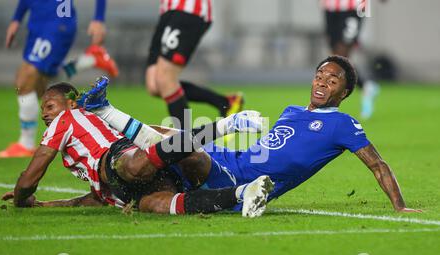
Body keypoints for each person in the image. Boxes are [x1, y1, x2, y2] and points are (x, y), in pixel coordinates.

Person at [86, 56, 421, 213]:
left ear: (344, 92)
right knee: (172, 132)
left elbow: (377, 164)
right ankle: (103, 113)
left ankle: (105, 116)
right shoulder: (292, 111)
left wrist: (400, 207)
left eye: (332, 80)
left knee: (187, 151)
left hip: (234, 178)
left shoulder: (343, 124)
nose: (322, 82)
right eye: (320, 75)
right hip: (230, 160)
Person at [1, 79, 273, 218]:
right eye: (42, 110)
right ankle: (242, 194)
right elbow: (96, 198)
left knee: (132, 165)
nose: (45, 115)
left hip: (121, 157)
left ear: (71, 104)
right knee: (153, 204)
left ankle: (227, 125)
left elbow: (30, 177)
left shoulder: (65, 120)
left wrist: (21, 198)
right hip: (127, 184)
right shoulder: (82, 144)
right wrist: (46, 205)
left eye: (49, 106)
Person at [0, 0, 118, 158]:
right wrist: (16, 18)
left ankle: (25, 144)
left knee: (25, 80)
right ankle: (91, 59)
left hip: (56, 22)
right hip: (38, 22)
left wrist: (99, 18)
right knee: (39, 82)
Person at [145, 0, 244, 128]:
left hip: (188, 9)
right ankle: (225, 102)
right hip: (167, 11)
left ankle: (185, 143)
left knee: (165, 78)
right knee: (154, 85)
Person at [321, 0, 381, 120]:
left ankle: (328, 104)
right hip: (329, 6)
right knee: (337, 57)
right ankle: (366, 87)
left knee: (341, 53)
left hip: (355, 6)